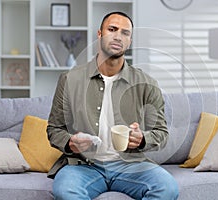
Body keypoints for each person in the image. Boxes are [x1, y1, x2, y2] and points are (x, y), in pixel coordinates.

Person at [47, 11, 179, 200]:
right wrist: (70, 142)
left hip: (131, 164)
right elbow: (54, 129)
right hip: (83, 165)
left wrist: (142, 139)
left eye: (125, 33)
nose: (118, 36)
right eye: (112, 29)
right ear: (100, 34)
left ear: (130, 41)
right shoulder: (69, 79)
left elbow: (161, 133)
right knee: (65, 191)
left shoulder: (147, 83)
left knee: (167, 188)